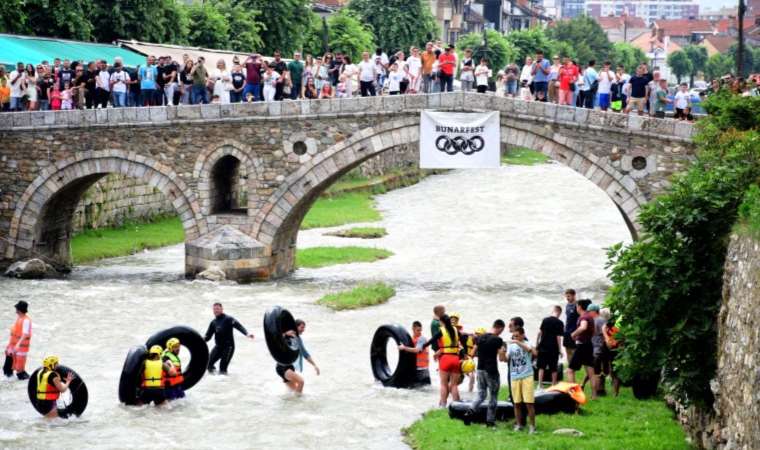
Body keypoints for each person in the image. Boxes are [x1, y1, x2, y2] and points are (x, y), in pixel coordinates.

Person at [466, 319, 506, 427]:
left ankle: (469, 413)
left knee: (481, 394)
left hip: (480, 369)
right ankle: (490, 421)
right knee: (493, 396)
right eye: (502, 330)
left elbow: (472, 353)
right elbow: (502, 358)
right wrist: (502, 351)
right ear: (500, 328)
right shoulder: (498, 339)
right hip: (491, 370)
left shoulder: (480, 337)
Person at [423, 314, 465, 407]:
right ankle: (457, 405)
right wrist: (465, 354)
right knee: (454, 385)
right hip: (455, 359)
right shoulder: (456, 330)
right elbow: (464, 342)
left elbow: (431, 340)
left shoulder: (441, 331)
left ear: (442, 322)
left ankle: (443, 405)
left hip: (445, 358)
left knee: (443, 384)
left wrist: (423, 346)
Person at [204, 302, 254, 374]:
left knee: (222, 368)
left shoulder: (228, 319)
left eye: (217, 309)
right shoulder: (213, 323)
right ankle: (215, 380)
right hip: (218, 347)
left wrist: (247, 333)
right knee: (208, 364)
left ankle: (224, 381)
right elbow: (208, 336)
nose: (216, 311)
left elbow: (238, 326)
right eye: (214, 309)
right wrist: (199, 341)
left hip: (228, 347)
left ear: (222, 309)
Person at [507, 326, 537, 433]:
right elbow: (506, 359)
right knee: (517, 403)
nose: (515, 338)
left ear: (523, 335)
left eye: (517, 336)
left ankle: (532, 426)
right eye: (513, 336)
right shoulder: (511, 347)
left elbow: (532, 351)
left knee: (529, 403)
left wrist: (517, 342)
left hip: (527, 375)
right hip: (515, 376)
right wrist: (501, 353)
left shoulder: (527, 343)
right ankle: (519, 425)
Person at [277, 319, 319, 394]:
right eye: (302, 327)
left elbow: (305, 353)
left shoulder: (298, 339)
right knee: (301, 382)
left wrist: (314, 365)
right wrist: (285, 334)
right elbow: (275, 338)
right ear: (295, 327)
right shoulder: (286, 335)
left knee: (294, 393)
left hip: (290, 367)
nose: (303, 330)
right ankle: (299, 405)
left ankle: (292, 405)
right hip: (283, 366)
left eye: (304, 328)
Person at [567, 299, 598, 398]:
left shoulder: (583, 317)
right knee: (591, 372)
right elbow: (593, 332)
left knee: (570, 370)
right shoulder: (590, 317)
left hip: (582, 346)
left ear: (579, 306)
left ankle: (574, 393)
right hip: (589, 345)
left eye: (576, 306)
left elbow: (583, 327)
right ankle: (594, 395)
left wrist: (573, 334)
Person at [536, 305, 564, 386]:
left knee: (541, 367)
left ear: (553, 311)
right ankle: (553, 384)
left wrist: (537, 343)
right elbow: (558, 337)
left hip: (543, 347)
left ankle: (540, 384)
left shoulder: (545, 320)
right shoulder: (560, 323)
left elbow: (539, 333)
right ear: (559, 313)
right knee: (553, 368)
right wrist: (560, 350)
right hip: (553, 348)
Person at [4, 301, 32, 380]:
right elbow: (15, 333)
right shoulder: (20, 318)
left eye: (16, 308)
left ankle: (29, 381)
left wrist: (17, 345)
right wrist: (9, 346)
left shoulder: (26, 320)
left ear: (19, 309)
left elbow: (25, 334)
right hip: (14, 347)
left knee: (20, 371)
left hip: (21, 347)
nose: (15, 309)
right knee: (7, 368)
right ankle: (10, 383)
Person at [398, 321, 431, 385]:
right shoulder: (411, 339)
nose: (420, 332)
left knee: (424, 390)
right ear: (413, 329)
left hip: (422, 370)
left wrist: (404, 348)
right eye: (418, 330)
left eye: (420, 330)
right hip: (415, 368)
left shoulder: (422, 338)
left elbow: (417, 350)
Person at [602, 313, 621, 396]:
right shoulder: (616, 329)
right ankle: (614, 391)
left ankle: (615, 392)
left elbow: (610, 344)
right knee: (612, 372)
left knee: (614, 373)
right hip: (612, 351)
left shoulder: (612, 329)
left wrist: (605, 334)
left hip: (612, 351)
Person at [562, 289, 579, 364]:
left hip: (574, 331)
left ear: (574, 295)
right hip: (567, 331)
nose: (567, 298)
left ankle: (575, 366)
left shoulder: (577, 305)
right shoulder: (567, 305)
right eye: (566, 296)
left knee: (574, 350)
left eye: (568, 296)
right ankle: (570, 366)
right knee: (567, 349)